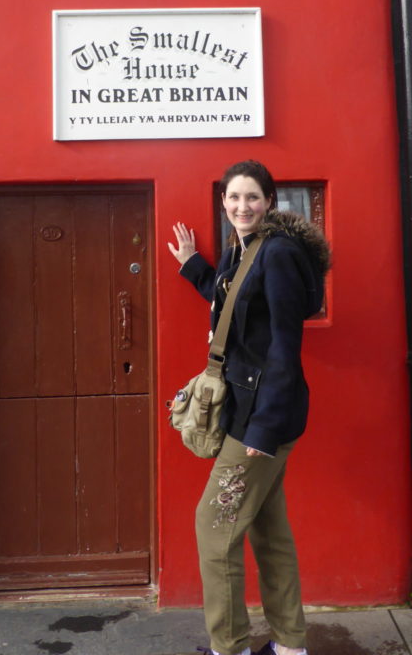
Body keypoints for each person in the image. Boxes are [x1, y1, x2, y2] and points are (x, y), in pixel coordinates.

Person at [168, 160, 331, 655]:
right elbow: (232, 301)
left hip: (261, 418)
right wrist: (195, 265)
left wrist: (262, 430)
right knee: (268, 531)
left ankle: (230, 646)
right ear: (224, 203)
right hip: (251, 409)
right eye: (235, 198)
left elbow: (285, 345)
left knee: (213, 527)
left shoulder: (276, 254)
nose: (243, 206)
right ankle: (290, 646)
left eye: (253, 198)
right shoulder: (243, 249)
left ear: (269, 202)